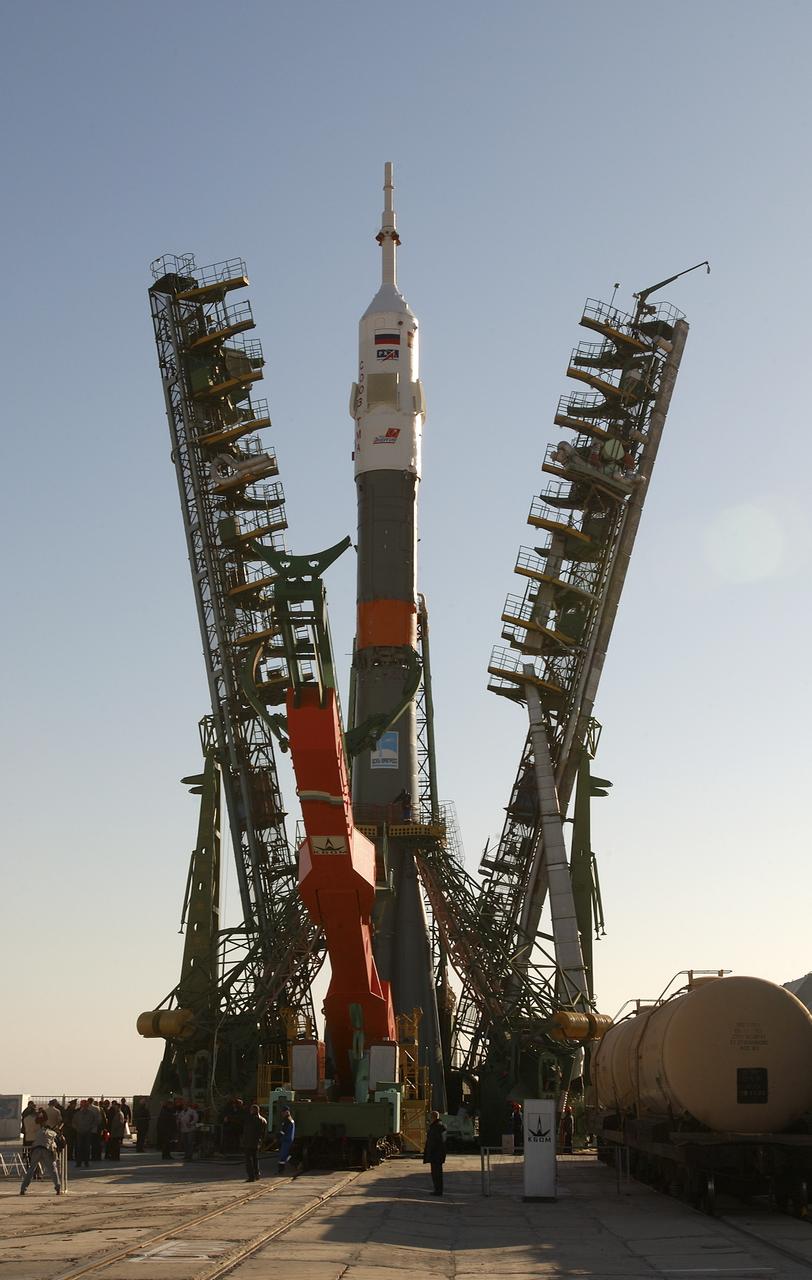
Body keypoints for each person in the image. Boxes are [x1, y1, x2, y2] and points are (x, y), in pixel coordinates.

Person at [20, 1110, 61, 1195]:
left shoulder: (39, 1132)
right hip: (46, 1150)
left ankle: (23, 1189)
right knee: (53, 1170)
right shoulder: (52, 1133)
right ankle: (58, 1188)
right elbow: (56, 1144)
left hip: (36, 1150)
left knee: (31, 1170)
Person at [241, 1104, 267, 1182]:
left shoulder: (250, 1119)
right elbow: (264, 1133)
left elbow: (246, 1131)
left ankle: (251, 1176)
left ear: (253, 1110)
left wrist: (244, 1141)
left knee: (249, 1160)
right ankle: (257, 1174)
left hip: (249, 1142)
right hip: (257, 1142)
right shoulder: (263, 1120)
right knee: (255, 1159)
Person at [423, 1111, 447, 1195]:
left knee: (436, 1173)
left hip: (435, 1154)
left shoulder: (435, 1127)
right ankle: (438, 1190)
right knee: (437, 1173)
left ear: (433, 1117)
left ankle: (438, 1191)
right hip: (438, 1154)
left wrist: (430, 1152)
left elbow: (434, 1142)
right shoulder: (439, 1126)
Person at [73, 1099, 96, 1168]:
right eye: (82, 1105)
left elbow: (95, 1122)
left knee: (87, 1148)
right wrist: (77, 1129)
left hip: (87, 1133)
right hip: (79, 1133)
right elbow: (74, 1122)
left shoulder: (91, 1114)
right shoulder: (77, 1114)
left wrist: (90, 1128)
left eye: (85, 1105)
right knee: (79, 1147)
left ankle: (86, 1162)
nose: (83, 1107)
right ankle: (78, 1162)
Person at [277, 1106, 294, 1174]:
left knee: (283, 1155)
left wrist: (277, 1137)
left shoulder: (287, 1120)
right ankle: (281, 1169)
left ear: (286, 1112)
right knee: (285, 1155)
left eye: (283, 1112)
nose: (282, 1114)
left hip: (286, 1140)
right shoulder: (291, 1119)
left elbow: (283, 1131)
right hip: (289, 1139)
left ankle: (281, 1170)